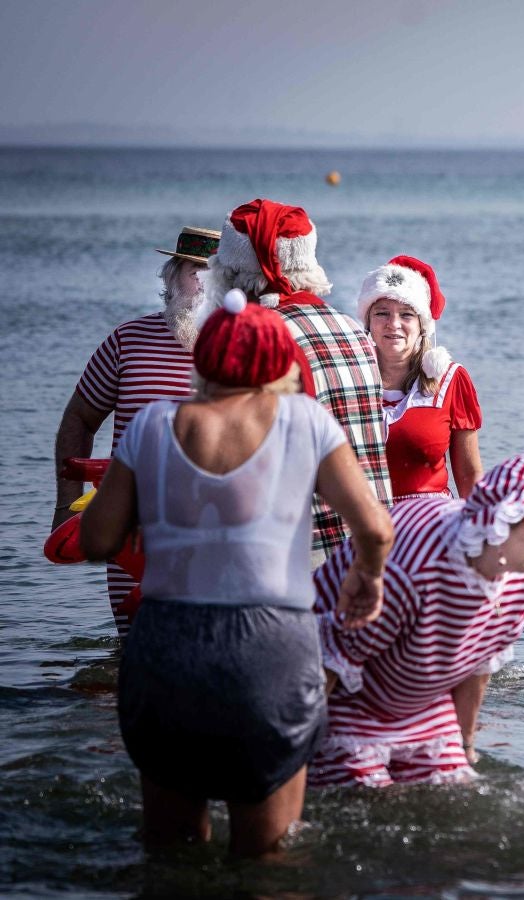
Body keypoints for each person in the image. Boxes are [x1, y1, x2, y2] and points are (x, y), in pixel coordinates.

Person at [78, 294, 393, 856]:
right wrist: (365, 580)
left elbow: (96, 539)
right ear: (281, 363)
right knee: (267, 860)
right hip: (269, 655)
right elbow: (375, 529)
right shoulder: (304, 421)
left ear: (204, 360)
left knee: (170, 855)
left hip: (167, 651)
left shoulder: (152, 423)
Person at [309, 451, 524, 787]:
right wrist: (293, 758)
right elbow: (328, 662)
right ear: (502, 518)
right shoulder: (413, 574)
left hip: (424, 705)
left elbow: (478, 666)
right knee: (370, 797)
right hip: (348, 703)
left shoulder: (520, 573)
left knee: (458, 787)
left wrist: (466, 745)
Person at [52, 225, 220, 636]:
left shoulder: (241, 348)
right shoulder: (127, 341)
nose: (200, 282)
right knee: (133, 644)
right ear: (172, 275)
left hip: (217, 530)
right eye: (191, 269)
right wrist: (67, 509)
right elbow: (79, 420)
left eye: (211, 272)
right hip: (131, 531)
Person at [205, 198, 393, 563]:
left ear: (230, 275)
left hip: (297, 557)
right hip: (372, 550)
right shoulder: (353, 330)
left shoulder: (254, 338)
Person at [356, 255, 483, 500]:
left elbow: (469, 476)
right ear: (368, 322)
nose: (393, 324)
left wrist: (480, 532)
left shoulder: (450, 379)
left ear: (422, 325)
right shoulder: (349, 379)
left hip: (431, 527)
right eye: (382, 313)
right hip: (365, 525)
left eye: (406, 315)